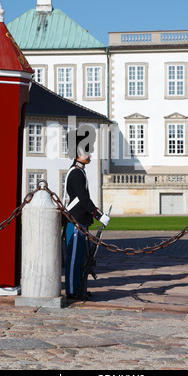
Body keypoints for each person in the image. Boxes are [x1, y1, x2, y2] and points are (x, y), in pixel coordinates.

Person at [64, 128, 110, 301]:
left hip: (80, 221)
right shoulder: (76, 172)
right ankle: (71, 290)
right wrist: (99, 215)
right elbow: (83, 199)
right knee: (74, 259)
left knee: (80, 258)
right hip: (75, 221)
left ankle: (77, 288)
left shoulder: (80, 171)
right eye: (87, 151)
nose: (90, 154)